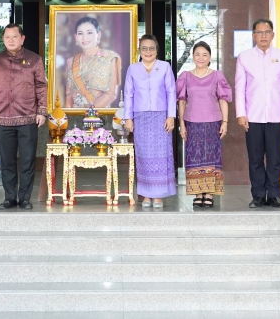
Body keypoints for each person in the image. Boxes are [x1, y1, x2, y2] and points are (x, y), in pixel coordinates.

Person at [235, 18, 280, 209]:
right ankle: (259, 195)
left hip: (277, 116)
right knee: (255, 159)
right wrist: (240, 114)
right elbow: (239, 87)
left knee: (274, 158)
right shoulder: (244, 57)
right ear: (253, 36)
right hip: (252, 116)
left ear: (272, 34)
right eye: (259, 33)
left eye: (267, 32)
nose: (263, 36)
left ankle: (275, 195)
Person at [0, 24, 47, 210]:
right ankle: (10, 197)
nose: (11, 40)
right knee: (7, 161)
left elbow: (41, 86)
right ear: (3, 39)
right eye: (7, 37)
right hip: (2, 118)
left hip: (28, 117)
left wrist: (42, 110)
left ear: (22, 38)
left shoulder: (34, 60)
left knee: (28, 161)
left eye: (14, 37)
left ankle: (25, 197)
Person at [176, 41, 232, 209]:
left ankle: (209, 194)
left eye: (204, 55)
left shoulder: (217, 75)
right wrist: (182, 125)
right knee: (194, 160)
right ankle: (198, 193)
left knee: (211, 159)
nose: (201, 57)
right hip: (192, 124)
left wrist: (225, 122)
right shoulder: (185, 76)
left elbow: (223, 100)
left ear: (210, 58)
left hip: (212, 123)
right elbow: (181, 102)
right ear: (193, 56)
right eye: (197, 54)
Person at [123, 34, 176, 208]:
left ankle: (159, 195)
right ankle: (146, 194)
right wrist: (128, 118)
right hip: (140, 117)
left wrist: (171, 116)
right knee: (144, 155)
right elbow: (128, 94)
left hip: (161, 116)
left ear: (156, 50)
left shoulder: (165, 67)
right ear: (139, 50)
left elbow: (171, 92)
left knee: (161, 155)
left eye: (151, 48)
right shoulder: (133, 69)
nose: (148, 51)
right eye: (144, 48)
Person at [64, 16, 120, 108]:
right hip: (75, 115)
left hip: (98, 115)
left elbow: (110, 94)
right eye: (80, 33)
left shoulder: (109, 58)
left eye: (89, 32)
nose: (84, 37)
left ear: (98, 35)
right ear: (76, 37)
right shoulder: (71, 61)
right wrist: (68, 116)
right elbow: (69, 95)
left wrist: (89, 111)